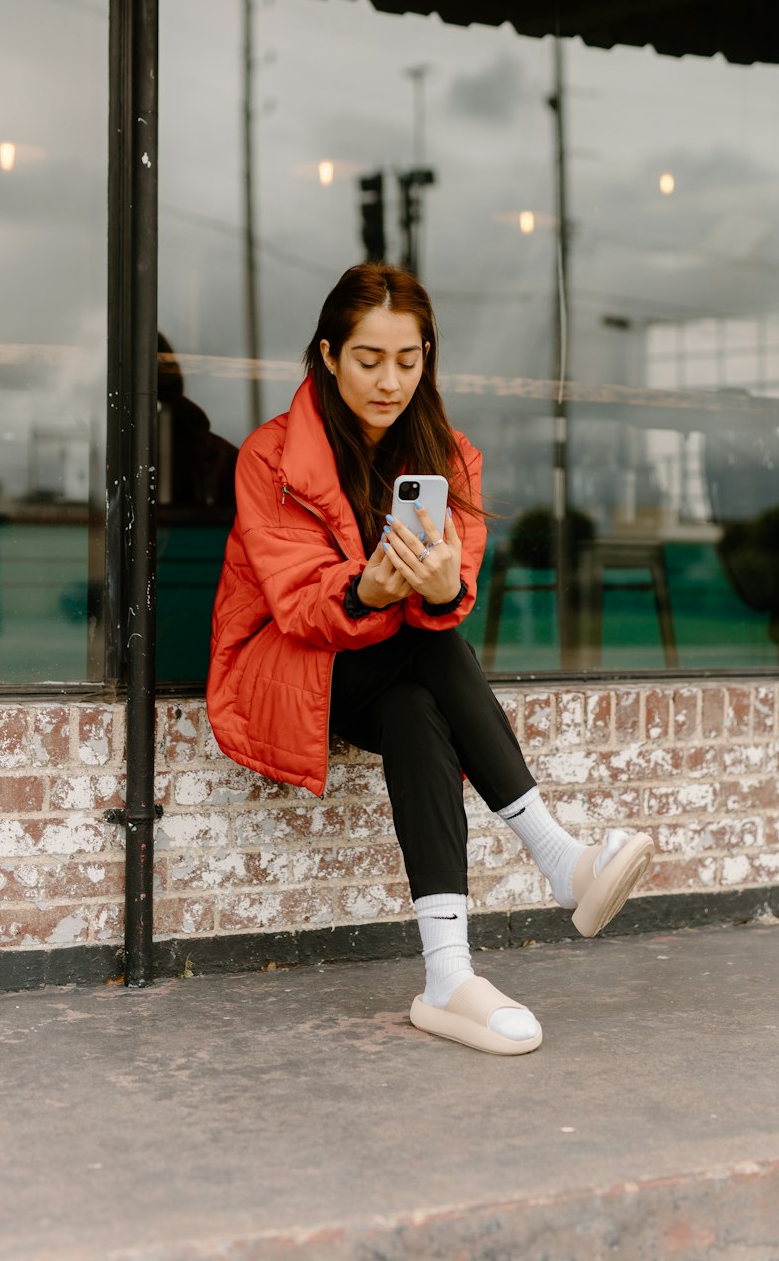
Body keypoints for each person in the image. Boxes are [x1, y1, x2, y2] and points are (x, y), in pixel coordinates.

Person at [207, 262, 654, 1055]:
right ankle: (559, 855)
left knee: (419, 702)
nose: (389, 381)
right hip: (286, 668)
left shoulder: (451, 458)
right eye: (369, 359)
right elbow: (297, 604)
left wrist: (443, 588)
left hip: (391, 669)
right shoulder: (270, 458)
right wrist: (370, 590)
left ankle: (448, 976)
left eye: (408, 361)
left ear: (427, 359)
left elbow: (459, 587)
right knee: (432, 642)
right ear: (329, 355)